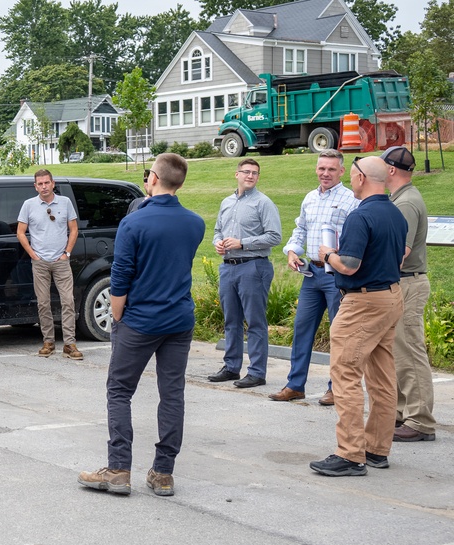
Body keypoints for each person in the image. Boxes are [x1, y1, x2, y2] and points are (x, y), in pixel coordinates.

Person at [78, 154, 205, 497]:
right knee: (172, 393)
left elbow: (120, 277)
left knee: (119, 390)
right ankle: (163, 472)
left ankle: (119, 468)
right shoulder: (195, 223)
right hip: (179, 318)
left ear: (152, 178)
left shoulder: (134, 223)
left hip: (141, 319)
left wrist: (117, 317)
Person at [311, 156, 407, 476]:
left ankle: (351, 454)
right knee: (381, 376)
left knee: (346, 374)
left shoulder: (360, 215)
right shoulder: (395, 213)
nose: (351, 181)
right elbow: (402, 256)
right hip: (391, 296)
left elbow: (349, 265)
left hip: (362, 303)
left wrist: (328, 255)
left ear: (362, 178)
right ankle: (377, 449)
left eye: (352, 176)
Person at [269, 150, 356, 405]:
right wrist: (292, 251)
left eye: (331, 169)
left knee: (338, 332)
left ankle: (335, 388)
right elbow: (301, 229)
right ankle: (295, 385)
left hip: (336, 275)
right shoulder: (309, 198)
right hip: (311, 274)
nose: (325, 174)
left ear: (341, 171)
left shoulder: (351, 200)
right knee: (302, 328)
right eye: (321, 169)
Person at [208, 158, 281, 389]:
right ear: (236, 174)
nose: (250, 176)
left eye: (255, 173)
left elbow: (274, 236)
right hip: (228, 267)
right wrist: (218, 243)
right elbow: (218, 230)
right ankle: (231, 367)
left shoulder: (263, 203)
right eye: (246, 172)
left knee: (255, 322)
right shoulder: (227, 202)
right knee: (231, 320)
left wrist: (243, 243)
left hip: (253, 267)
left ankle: (257, 372)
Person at [382, 146, 437, 442]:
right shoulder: (401, 198)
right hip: (404, 282)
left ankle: (420, 421)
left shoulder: (405, 204)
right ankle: (403, 413)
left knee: (410, 352)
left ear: (391, 170)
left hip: (408, 283)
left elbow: (399, 252)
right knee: (398, 352)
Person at [16, 169, 83, 360]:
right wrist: (33, 254)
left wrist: (66, 253)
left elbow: (74, 228)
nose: (44, 186)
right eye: (40, 183)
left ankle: (69, 343)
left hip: (61, 261)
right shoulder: (29, 205)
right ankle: (49, 342)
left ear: (53, 183)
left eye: (47, 183)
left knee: (68, 301)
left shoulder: (65, 202)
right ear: (35, 186)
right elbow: (21, 232)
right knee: (43, 303)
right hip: (40, 262)